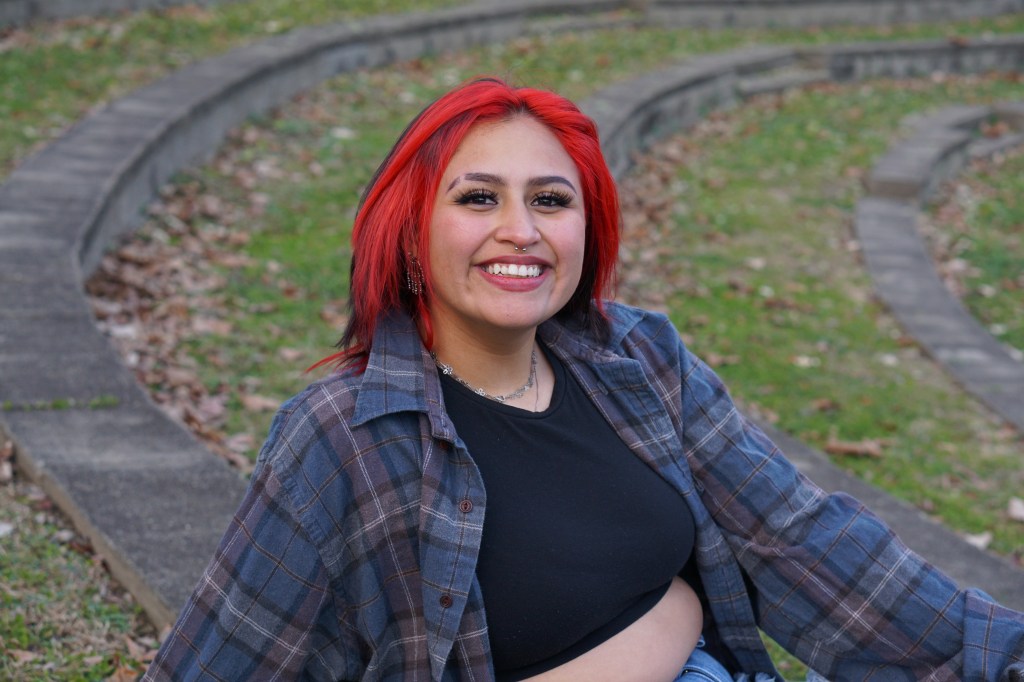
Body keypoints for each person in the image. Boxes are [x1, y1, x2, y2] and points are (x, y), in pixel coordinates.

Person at [144, 77, 1024, 681]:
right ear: (410, 236)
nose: (521, 230)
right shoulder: (344, 435)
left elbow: (798, 539)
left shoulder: (637, 357)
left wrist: (997, 652)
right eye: (478, 198)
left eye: (551, 200)